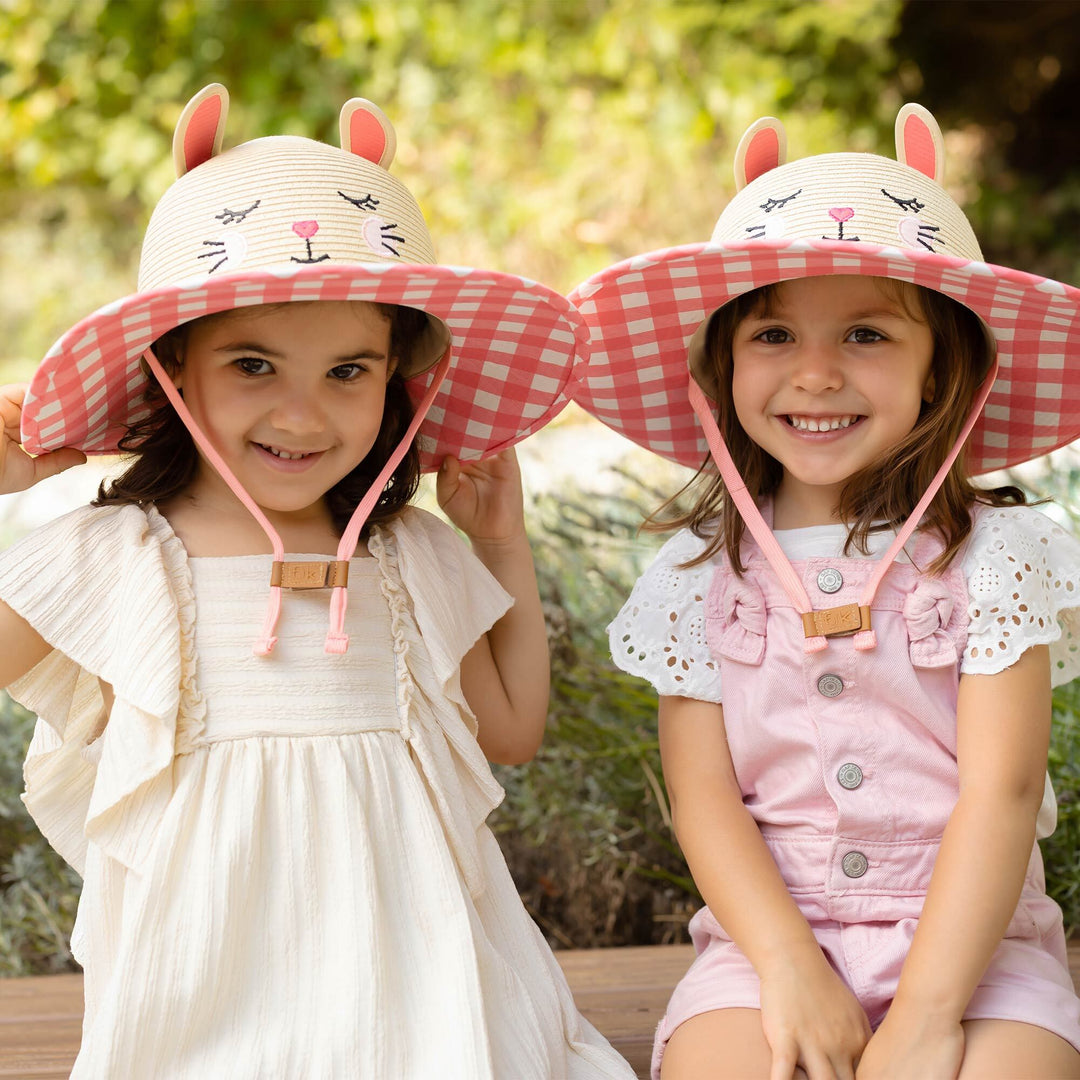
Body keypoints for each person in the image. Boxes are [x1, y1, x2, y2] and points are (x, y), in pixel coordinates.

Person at [0, 83, 634, 1080]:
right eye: (254, 364)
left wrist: (500, 543)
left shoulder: (406, 553)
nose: (304, 414)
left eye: (348, 371)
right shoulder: (123, 550)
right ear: (173, 366)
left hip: (419, 985)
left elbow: (510, 728)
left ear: (396, 381)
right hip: (208, 986)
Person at [568, 104, 1080, 1079]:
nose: (816, 373)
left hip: (975, 947)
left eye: (866, 334)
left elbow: (1003, 791)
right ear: (719, 368)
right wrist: (790, 966)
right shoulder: (696, 576)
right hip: (773, 940)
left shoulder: (994, 554)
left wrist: (930, 1016)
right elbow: (704, 793)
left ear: (943, 370)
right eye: (772, 335)